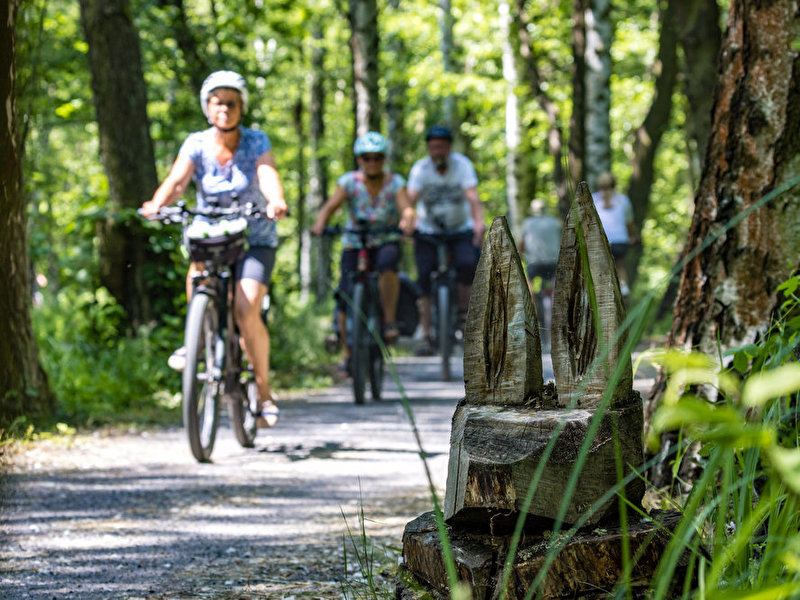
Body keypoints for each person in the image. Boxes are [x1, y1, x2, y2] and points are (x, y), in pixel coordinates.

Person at [141, 70, 287, 428]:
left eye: (232, 102)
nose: (225, 108)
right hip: (212, 231)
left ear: (241, 108)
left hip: (255, 235)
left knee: (244, 306)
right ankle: (198, 338)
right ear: (208, 107)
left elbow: (267, 174)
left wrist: (276, 200)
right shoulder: (196, 143)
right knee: (199, 274)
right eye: (218, 101)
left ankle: (264, 393)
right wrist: (156, 204)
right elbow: (177, 181)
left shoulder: (256, 141)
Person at [311, 131, 415, 376]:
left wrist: (407, 222)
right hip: (355, 241)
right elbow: (329, 206)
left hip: (385, 238)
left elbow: (407, 208)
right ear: (359, 159)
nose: (372, 162)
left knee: (388, 265)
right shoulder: (349, 182)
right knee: (345, 294)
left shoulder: (395, 182)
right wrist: (320, 225)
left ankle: (389, 321)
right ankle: (348, 354)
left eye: (377, 157)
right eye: (366, 158)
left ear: (383, 159)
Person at [406, 125, 485, 356]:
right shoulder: (420, 169)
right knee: (424, 277)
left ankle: (463, 317)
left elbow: (472, 197)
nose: (437, 151)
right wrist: (406, 222)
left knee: (467, 266)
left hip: (460, 228)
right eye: (433, 147)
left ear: (448, 148)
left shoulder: (462, 165)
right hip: (428, 230)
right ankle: (427, 335)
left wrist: (478, 223)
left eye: (441, 147)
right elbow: (409, 199)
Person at [518, 198, 561, 351]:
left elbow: (521, 245)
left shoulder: (527, 223)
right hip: (553, 262)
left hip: (535, 263)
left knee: (529, 286)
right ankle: (557, 309)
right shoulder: (555, 222)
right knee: (556, 287)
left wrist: (521, 254)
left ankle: (531, 310)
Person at [591, 172, 639, 297]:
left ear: (599, 185)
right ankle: (623, 289)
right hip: (620, 241)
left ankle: (601, 292)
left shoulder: (593, 199)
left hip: (601, 241)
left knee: (600, 267)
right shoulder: (623, 199)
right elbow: (629, 223)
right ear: (614, 184)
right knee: (619, 265)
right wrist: (634, 236)